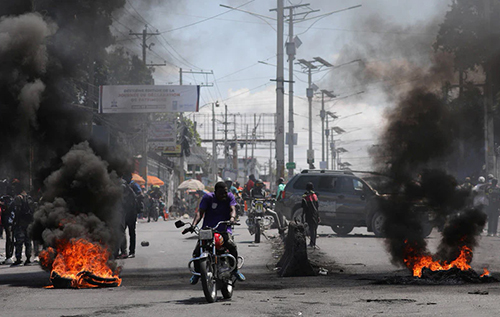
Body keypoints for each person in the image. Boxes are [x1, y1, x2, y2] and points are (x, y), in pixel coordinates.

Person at [184, 181, 245, 284]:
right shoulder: (208, 198)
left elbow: (232, 209)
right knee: (197, 251)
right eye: (221, 193)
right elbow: (200, 213)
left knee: (231, 246)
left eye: (225, 192)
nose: (224, 195)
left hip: (224, 229)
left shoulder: (230, 197)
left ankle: (235, 270)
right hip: (207, 230)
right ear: (215, 192)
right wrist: (193, 225)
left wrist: (232, 218)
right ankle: (197, 273)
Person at [10, 184, 34, 266]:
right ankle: (28, 259)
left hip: (20, 223)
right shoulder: (29, 198)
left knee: (19, 242)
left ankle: (18, 259)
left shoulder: (18, 198)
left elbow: (17, 211)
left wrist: (15, 222)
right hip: (29, 223)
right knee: (28, 242)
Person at [121, 173, 140, 258]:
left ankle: (127, 251)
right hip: (129, 212)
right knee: (128, 232)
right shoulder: (127, 185)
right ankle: (128, 251)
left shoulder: (132, 185)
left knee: (126, 232)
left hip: (129, 212)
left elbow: (140, 194)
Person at [302, 182, 320, 249]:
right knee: (314, 229)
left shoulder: (306, 196)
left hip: (309, 214)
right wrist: (318, 215)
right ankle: (313, 243)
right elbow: (317, 206)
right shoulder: (315, 195)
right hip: (315, 214)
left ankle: (312, 243)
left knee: (311, 228)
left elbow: (304, 207)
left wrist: (302, 215)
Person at [0, 195, 14, 264]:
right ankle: (9, 256)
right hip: (7, 222)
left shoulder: (10, 203)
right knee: (10, 239)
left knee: (10, 239)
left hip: (9, 222)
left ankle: (9, 256)